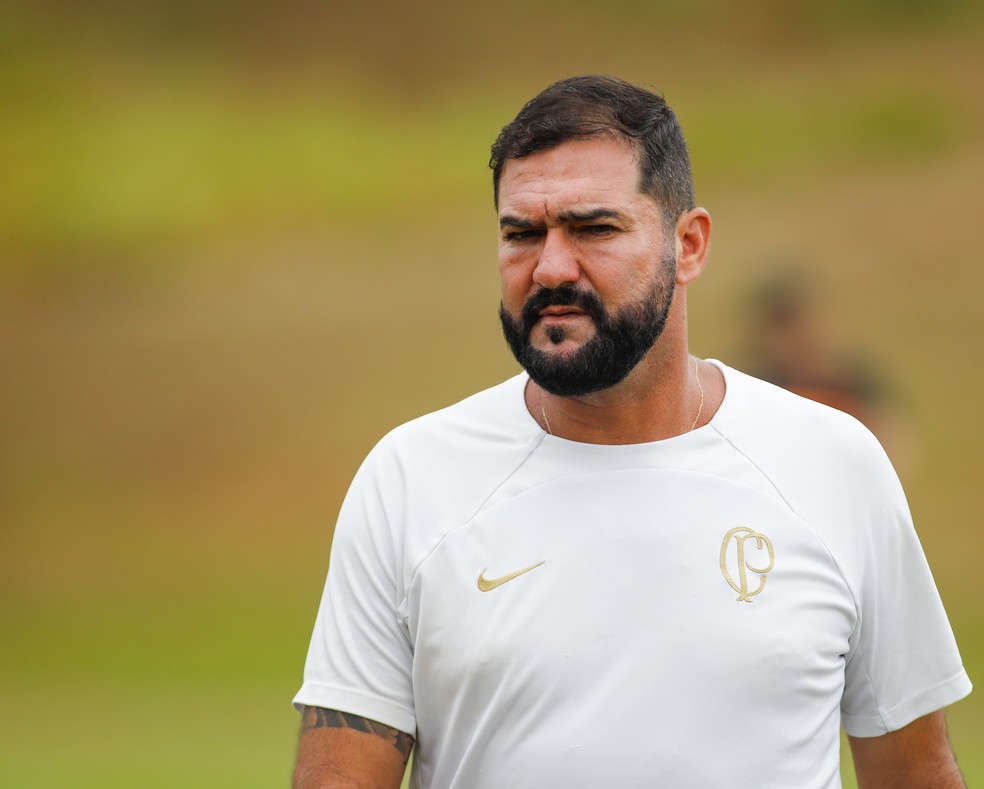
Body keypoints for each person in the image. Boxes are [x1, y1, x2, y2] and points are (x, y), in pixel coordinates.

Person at [292, 75, 971, 788]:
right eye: (522, 233)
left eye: (594, 228)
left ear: (690, 245)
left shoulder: (834, 464)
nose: (551, 266)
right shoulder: (411, 478)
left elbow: (914, 773)